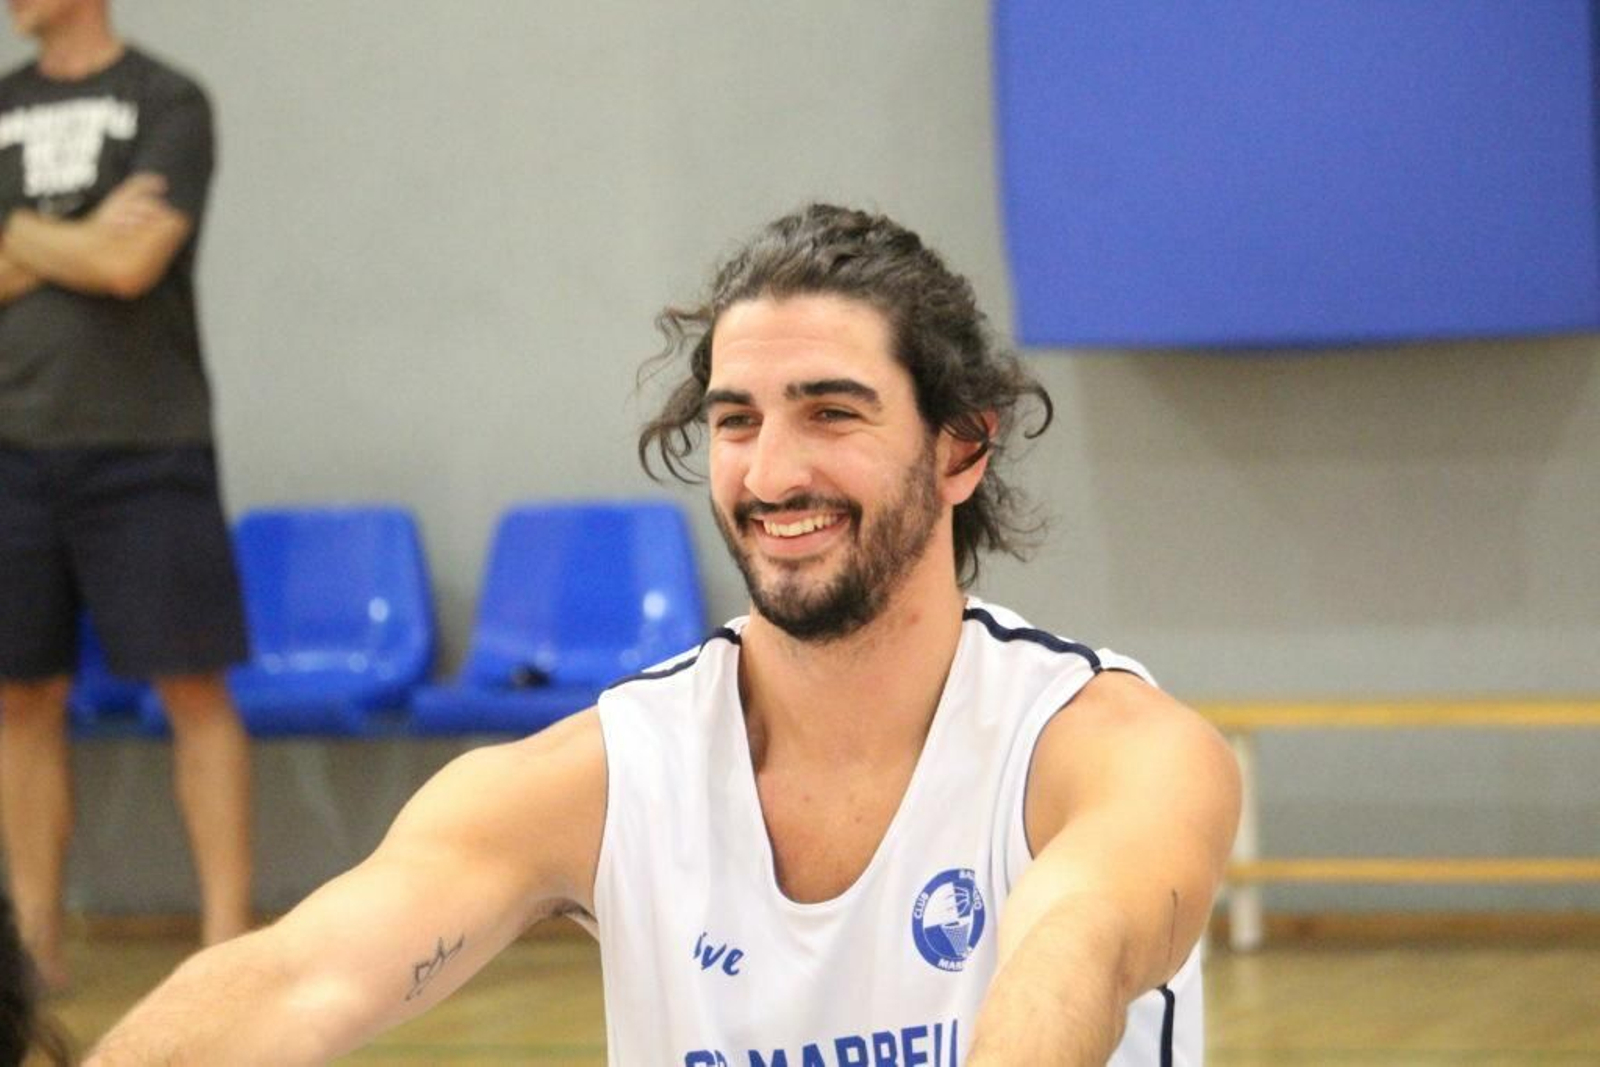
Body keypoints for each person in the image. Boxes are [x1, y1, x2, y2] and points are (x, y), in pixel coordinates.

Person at [87, 204, 1240, 1066]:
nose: (771, 471)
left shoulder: (1110, 749)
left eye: (831, 412)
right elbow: (301, 976)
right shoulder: (608, 770)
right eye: (735, 421)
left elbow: (1072, 953)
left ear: (959, 448)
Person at [0, 0, 252, 990]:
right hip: (13, 447)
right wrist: (79, 236)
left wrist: (18, 233)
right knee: (18, 697)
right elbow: (97, 250)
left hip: (147, 443)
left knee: (193, 686)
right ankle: (33, 951)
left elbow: (131, 260)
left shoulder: (166, 101)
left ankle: (228, 946)